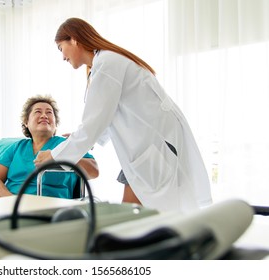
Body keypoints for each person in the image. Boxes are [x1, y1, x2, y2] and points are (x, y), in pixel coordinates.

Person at [34, 17, 212, 212]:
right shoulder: (105, 63)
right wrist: (87, 140)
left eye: (61, 48)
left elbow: (93, 123)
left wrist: (54, 155)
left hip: (153, 149)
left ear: (74, 39)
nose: (62, 57)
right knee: (138, 218)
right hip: (146, 150)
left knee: (147, 219)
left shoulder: (107, 64)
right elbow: (107, 116)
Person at [0, 94, 99, 199]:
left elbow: (94, 171)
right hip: (14, 208)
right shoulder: (16, 148)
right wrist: (12, 201)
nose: (44, 116)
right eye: (38, 112)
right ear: (26, 122)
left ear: (55, 124)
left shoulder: (67, 145)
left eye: (49, 113)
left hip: (51, 208)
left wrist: (60, 157)